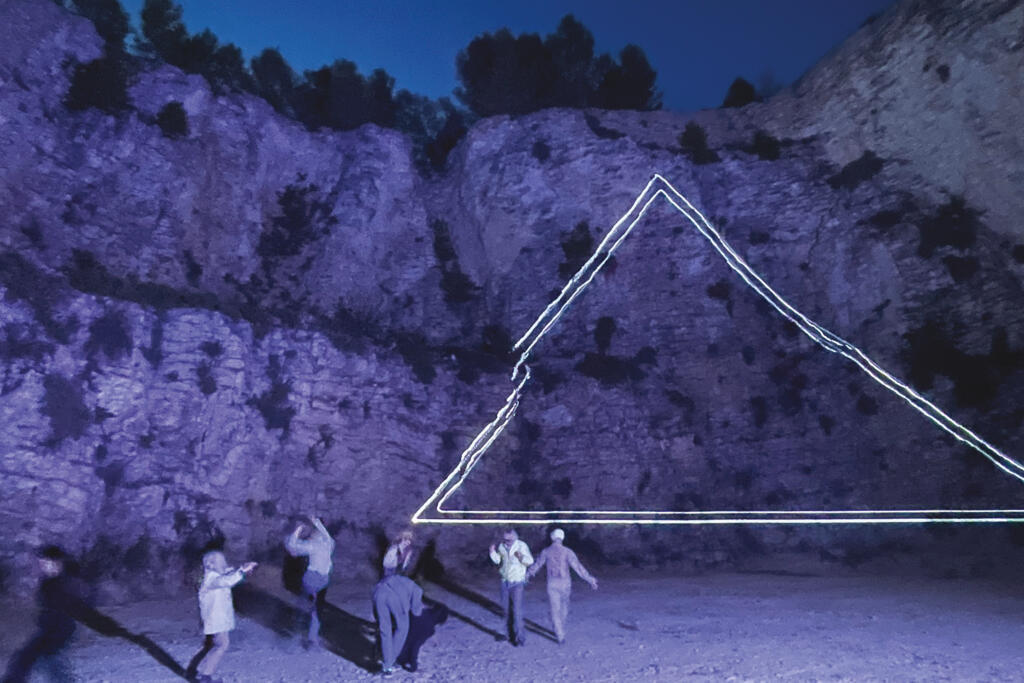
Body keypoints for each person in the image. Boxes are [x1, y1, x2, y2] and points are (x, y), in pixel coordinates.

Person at [2, 546, 87, 682]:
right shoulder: (48, 582)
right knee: (29, 657)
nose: (42, 566)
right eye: (41, 563)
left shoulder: (68, 581)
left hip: (61, 629)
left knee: (45, 658)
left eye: (45, 563)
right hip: (49, 628)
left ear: (57, 562)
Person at [191, 550, 257, 683]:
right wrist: (241, 571)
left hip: (217, 617)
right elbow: (226, 581)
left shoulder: (211, 575)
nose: (224, 563)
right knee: (222, 645)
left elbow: (227, 574)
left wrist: (242, 569)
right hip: (215, 618)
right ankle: (205, 676)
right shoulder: (212, 578)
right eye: (221, 561)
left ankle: (202, 673)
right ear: (213, 564)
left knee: (218, 644)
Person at [526, 528, 598, 643]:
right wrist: (590, 579)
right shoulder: (567, 552)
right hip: (565, 583)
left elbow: (537, 565)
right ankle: (561, 628)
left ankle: (559, 634)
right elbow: (578, 567)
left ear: (552, 538)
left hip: (552, 582)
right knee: (564, 606)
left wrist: (528, 574)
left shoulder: (546, 551)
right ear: (562, 538)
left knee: (555, 609)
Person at [284, 516, 335, 648]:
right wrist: (316, 522)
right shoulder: (329, 543)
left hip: (312, 578)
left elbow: (292, 545)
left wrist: (297, 530)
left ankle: (296, 634)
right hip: (323, 579)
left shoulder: (314, 545)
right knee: (316, 609)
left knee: (306, 606)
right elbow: (326, 534)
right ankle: (311, 637)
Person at [372, 574, 424, 676]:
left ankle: (387, 666)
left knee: (385, 631)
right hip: (394, 598)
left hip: (378, 592)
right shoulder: (417, 589)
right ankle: (390, 662)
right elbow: (416, 612)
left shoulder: (399, 578)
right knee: (402, 628)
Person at [488, 528, 533, 646]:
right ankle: (508, 635)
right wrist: (492, 552)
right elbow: (498, 561)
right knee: (506, 610)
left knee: (517, 611)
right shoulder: (502, 547)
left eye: (510, 540)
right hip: (505, 581)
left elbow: (530, 561)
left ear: (515, 538)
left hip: (517, 582)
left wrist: (521, 557)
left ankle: (520, 638)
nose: (507, 542)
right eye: (506, 540)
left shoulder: (521, 546)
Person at [396, 602, 448, 673]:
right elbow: (415, 645)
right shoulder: (429, 628)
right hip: (396, 651)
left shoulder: (419, 612)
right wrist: (413, 663)